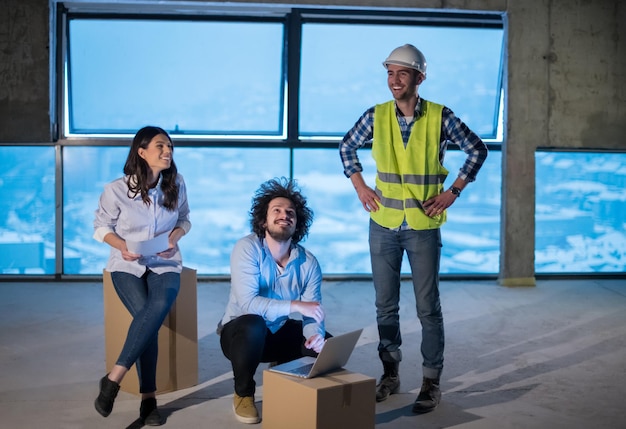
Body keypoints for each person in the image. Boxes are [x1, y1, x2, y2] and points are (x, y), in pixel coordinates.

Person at [339, 44, 488, 413]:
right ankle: (390, 375)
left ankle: (430, 382)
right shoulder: (376, 116)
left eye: (402, 73)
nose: (394, 80)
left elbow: (477, 149)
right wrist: (360, 186)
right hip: (383, 222)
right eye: (390, 73)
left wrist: (454, 190)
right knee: (384, 307)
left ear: (419, 78)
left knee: (427, 309)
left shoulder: (440, 116)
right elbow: (346, 147)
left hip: (422, 225)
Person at [92, 126, 191, 425]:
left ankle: (113, 379)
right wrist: (122, 246)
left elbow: (185, 220)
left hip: (165, 262)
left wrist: (174, 237)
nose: (167, 151)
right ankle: (149, 400)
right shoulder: (115, 190)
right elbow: (100, 227)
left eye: (170, 147)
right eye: (160, 146)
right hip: (126, 265)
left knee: (156, 308)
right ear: (141, 151)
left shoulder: (176, 184)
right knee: (147, 321)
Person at [217, 177, 328, 424]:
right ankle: (243, 394)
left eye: (290, 212)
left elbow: (313, 312)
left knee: (325, 345)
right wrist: (295, 305)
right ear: (263, 220)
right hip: (239, 335)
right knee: (254, 323)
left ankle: (284, 378)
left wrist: (315, 334)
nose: (284, 215)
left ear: (298, 223)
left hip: (277, 331)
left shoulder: (308, 262)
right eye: (276, 210)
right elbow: (248, 304)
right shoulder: (247, 248)